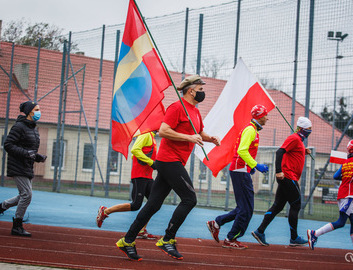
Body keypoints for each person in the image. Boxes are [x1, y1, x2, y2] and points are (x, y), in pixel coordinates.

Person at [115, 74, 220, 261]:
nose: (203, 93)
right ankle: (168, 238)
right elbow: (163, 131)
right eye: (201, 90)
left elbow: (198, 132)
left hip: (175, 161)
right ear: (191, 90)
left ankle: (127, 240)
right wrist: (189, 138)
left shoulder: (194, 111)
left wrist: (209, 137)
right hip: (168, 160)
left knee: (154, 204)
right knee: (190, 199)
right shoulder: (177, 107)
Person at [206, 105, 269, 249]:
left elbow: (243, 151)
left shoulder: (252, 130)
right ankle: (230, 238)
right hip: (239, 171)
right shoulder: (250, 130)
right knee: (246, 209)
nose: (267, 117)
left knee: (244, 207)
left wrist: (250, 167)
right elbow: (241, 150)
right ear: (259, 116)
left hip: (241, 170)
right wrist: (255, 165)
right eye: (265, 115)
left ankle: (216, 223)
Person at [307, 140, 353, 259]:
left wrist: (347, 175)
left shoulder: (346, 161)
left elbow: (336, 176)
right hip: (348, 195)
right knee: (341, 222)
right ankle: (314, 234)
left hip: (343, 194)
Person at [252, 116, 312, 247]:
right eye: (308, 129)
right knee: (295, 205)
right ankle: (294, 238)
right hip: (288, 177)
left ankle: (260, 231)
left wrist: (303, 152)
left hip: (289, 177)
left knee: (278, 206)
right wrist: (278, 171)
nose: (310, 131)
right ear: (302, 129)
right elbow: (280, 152)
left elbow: (293, 153)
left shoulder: (299, 142)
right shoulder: (294, 138)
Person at [96, 131, 158, 240]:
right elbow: (134, 150)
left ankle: (141, 230)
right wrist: (150, 162)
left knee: (154, 203)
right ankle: (105, 211)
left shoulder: (152, 138)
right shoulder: (146, 134)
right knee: (136, 205)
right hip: (140, 176)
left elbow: (138, 155)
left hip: (148, 176)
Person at [0, 101, 47, 237]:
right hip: (18, 165)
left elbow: (29, 150)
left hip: (26, 166)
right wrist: (27, 154)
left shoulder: (32, 128)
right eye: (37, 109)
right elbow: (8, 145)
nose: (39, 112)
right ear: (30, 112)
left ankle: (2, 206)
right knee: (27, 195)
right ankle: (17, 225)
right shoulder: (19, 127)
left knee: (23, 195)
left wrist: (37, 157)